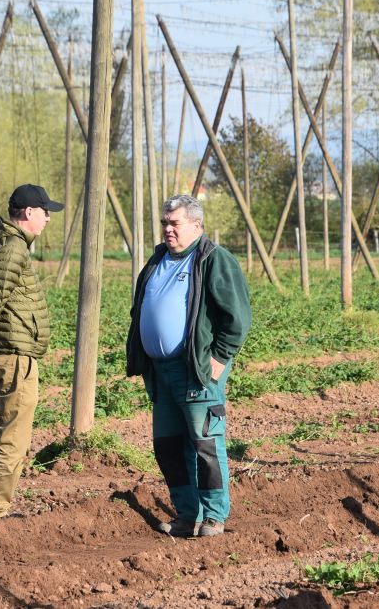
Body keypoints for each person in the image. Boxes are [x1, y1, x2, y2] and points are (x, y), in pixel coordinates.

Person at [126, 194, 251, 537]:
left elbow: (238, 317)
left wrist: (219, 357)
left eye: (174, 223)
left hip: (195, 369)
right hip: (160, 372)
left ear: (196, 225)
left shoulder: (213, 259)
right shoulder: (158, 260)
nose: (167, 229)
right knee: (168, 446)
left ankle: (213, 516)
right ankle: (186, 514)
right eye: (164, 223)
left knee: (205, 443)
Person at [0, 183, 64, 517]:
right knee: (14, 438)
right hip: (13, 356)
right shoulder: (12, 248)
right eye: (45, 212)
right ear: (29, 212)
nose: (48, 218)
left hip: (3, 353)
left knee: (12, 432)